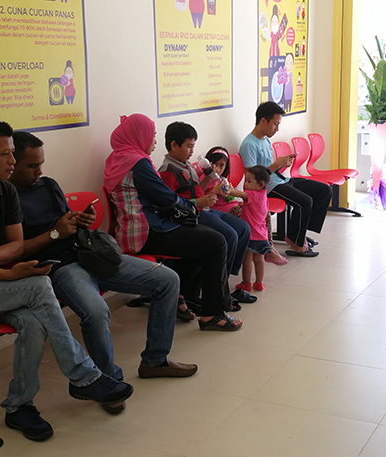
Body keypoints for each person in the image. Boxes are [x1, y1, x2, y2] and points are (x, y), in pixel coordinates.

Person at [0, 119, 132, 442]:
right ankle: (83, 375)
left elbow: (16, 246)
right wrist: (8, 274)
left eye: (13, 153)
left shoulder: (5, 191)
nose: (12, 161)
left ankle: (18, 407)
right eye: (5, 155)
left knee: (33, 322)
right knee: (39, 286)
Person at [8, 131, 197, 415]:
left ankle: (155, 361)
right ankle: (108, 381)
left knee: (167, 280)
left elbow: (66, 223)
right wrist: (55, 233)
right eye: (32, 166)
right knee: (96, 311)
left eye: (41, 164)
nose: (39, 171)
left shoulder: (48, 185)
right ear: (12, 164)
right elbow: (15, 250)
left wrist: (81, 221)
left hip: (89, 253)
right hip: (59, 267)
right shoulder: (6, 199)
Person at [105, 114, 242, 331]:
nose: (154, 142)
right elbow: (166, 197)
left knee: (202, 236)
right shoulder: (137, 163)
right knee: (215, 241)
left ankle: (180, 295)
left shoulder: (120, 158)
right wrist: (192, 208)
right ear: (139, 136)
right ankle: (212, 314)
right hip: (144, 230)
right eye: (152, 136)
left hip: (134, 228)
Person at [158, 121, 253, 304]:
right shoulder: (168, 170)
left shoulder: (185, 164)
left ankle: (222, 280)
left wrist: (210, 187)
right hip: (191, 215)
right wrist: (198, 202)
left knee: (243, 228)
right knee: (230, 235)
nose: (192, 151)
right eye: (189, 146)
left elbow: (196, 190)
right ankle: (218, 292)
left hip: (203, 209)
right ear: (174, 145)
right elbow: (169, 205)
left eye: (193, 146)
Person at [240, 101, 331, 257]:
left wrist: (283, 164)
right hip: (268, 187)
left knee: (324, 190)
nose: (277, 129)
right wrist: (277, 164)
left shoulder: (265, 140)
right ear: (263, 121)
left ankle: (300, 233)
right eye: (275, 124)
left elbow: (268, 168)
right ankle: (296, 242)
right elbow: (253, 179)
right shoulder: (249, 145)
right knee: (305, 201)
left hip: (280, 179)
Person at [237, 165, 288, 296]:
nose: (245, 184)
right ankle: (259, 283)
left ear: (260, 184)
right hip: (261, 234)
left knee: (247, 260)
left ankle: (246, 283)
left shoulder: (252, 194)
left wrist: (226, 190)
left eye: (249, 181)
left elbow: (239, 194)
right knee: (259, 260)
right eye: (246, 181)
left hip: (251, 235)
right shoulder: (263, 195)